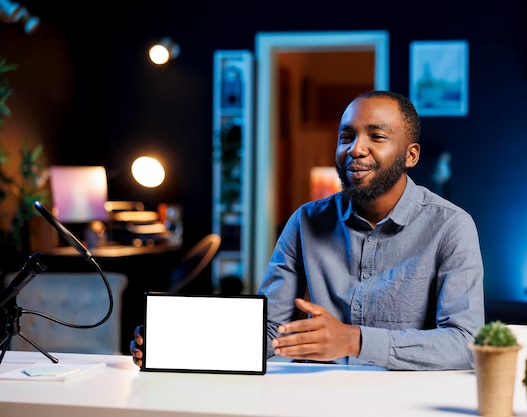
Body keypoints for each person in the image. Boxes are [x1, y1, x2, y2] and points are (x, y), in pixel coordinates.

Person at [130, 90, 484, 370]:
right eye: (346, 136)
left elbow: (465, 342)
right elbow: (270, 331)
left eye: (376, 136)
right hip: (316, 399)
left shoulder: (451, 226)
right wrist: (179, 345)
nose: (355, 149)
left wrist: (355, 341)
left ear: (411, 155)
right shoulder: (305, 221)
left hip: (406, 404)